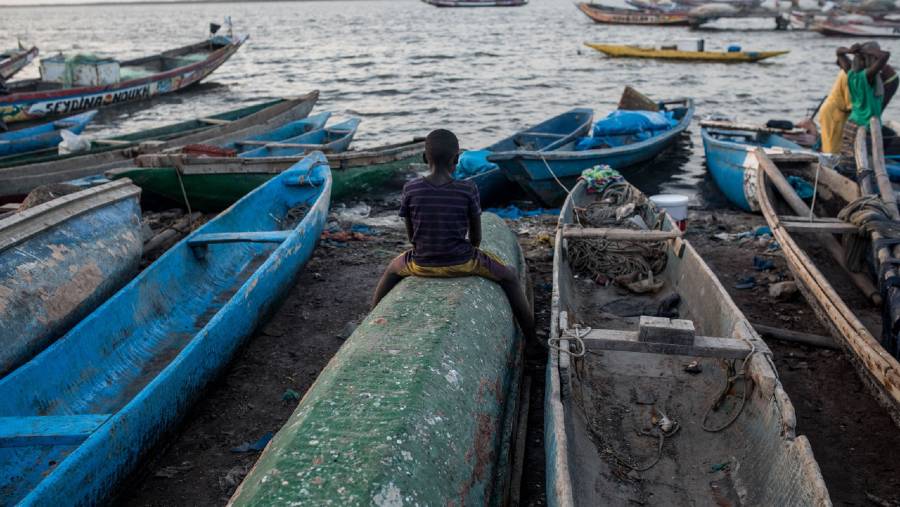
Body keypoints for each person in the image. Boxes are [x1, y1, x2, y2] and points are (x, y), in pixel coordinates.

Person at [371, 129, 536, 342]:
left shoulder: (410, 189)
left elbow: (412, 236)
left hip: (421, 264)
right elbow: (475, 236)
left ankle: (372, 318)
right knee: (510, 276)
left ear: (424, 158)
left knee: (392, 269)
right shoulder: (467, 188)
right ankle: (532, 340)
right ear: (457, 159)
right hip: (463, 262)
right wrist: (470, 251)